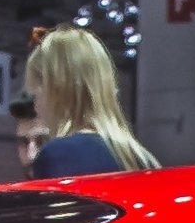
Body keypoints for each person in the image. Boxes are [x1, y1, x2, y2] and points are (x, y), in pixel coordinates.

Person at [17, 27, 157, 177]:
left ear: (55, 91)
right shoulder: (144, 159)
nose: (36, 107)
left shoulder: (59, 155)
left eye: (36, 95)